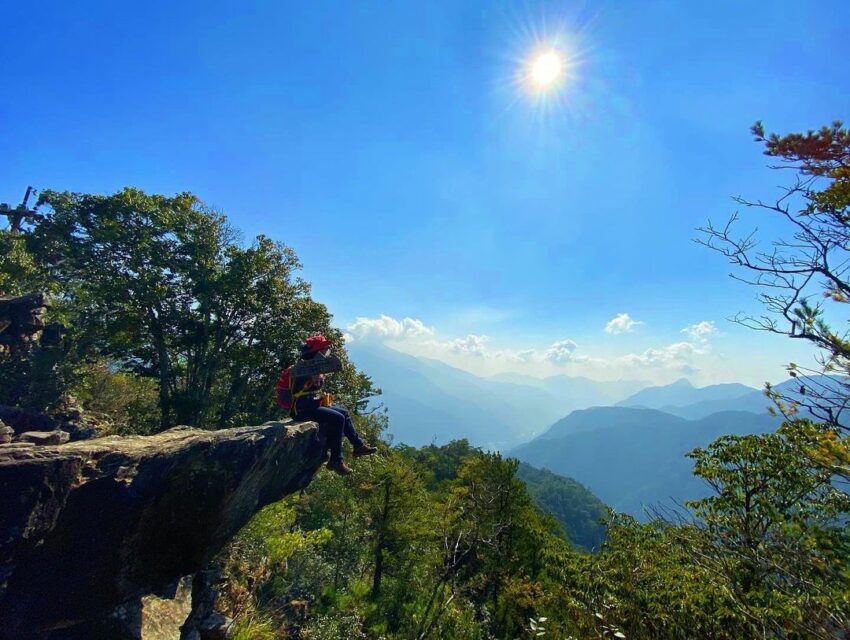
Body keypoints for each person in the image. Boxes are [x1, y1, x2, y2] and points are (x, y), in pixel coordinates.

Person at [290, 334, 376, 475]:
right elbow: (298, 389)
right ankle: (336, 460)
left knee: (344, 413)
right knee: (338, 418)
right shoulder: (304, 369)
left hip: (310, 405)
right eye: (325, 349)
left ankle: (358, 446)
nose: (327, 351)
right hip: (302, 409)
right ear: (317, 352)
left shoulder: (311, 368)